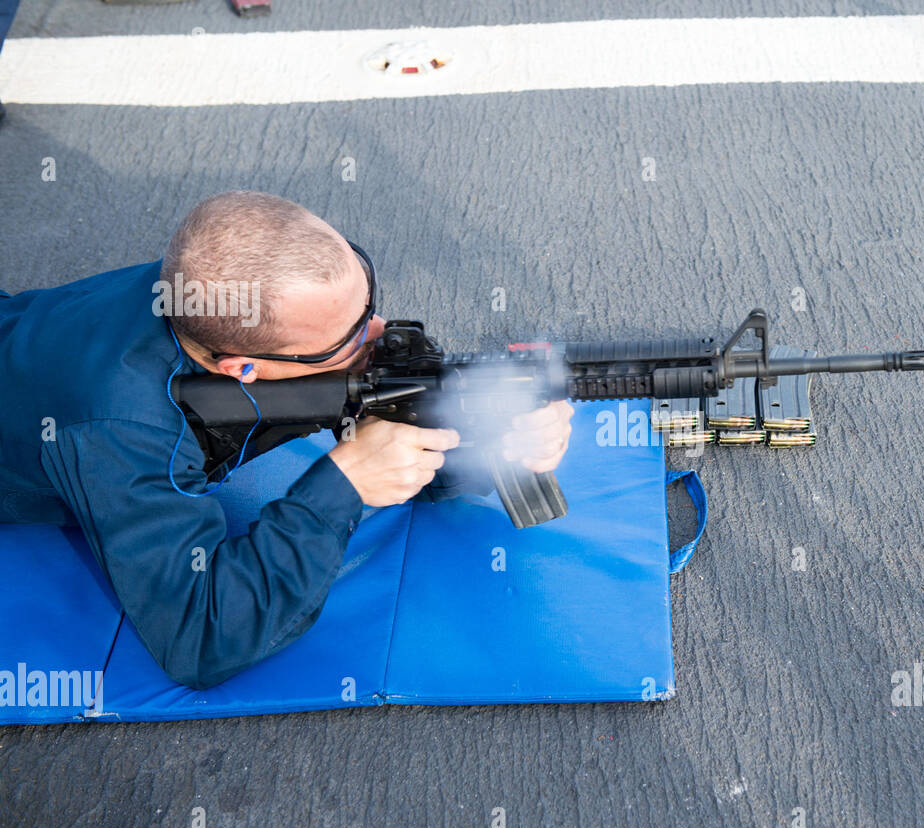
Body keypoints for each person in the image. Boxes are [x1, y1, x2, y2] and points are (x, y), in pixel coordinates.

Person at [0, 191, 573, 688]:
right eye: (345, 340)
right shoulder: (122, 432)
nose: (377, 332)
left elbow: (349, 389)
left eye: (367, 298)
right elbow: (201, 639)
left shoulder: (221, 294)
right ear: (245, 369)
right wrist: (341, 489)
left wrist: (489, 441)